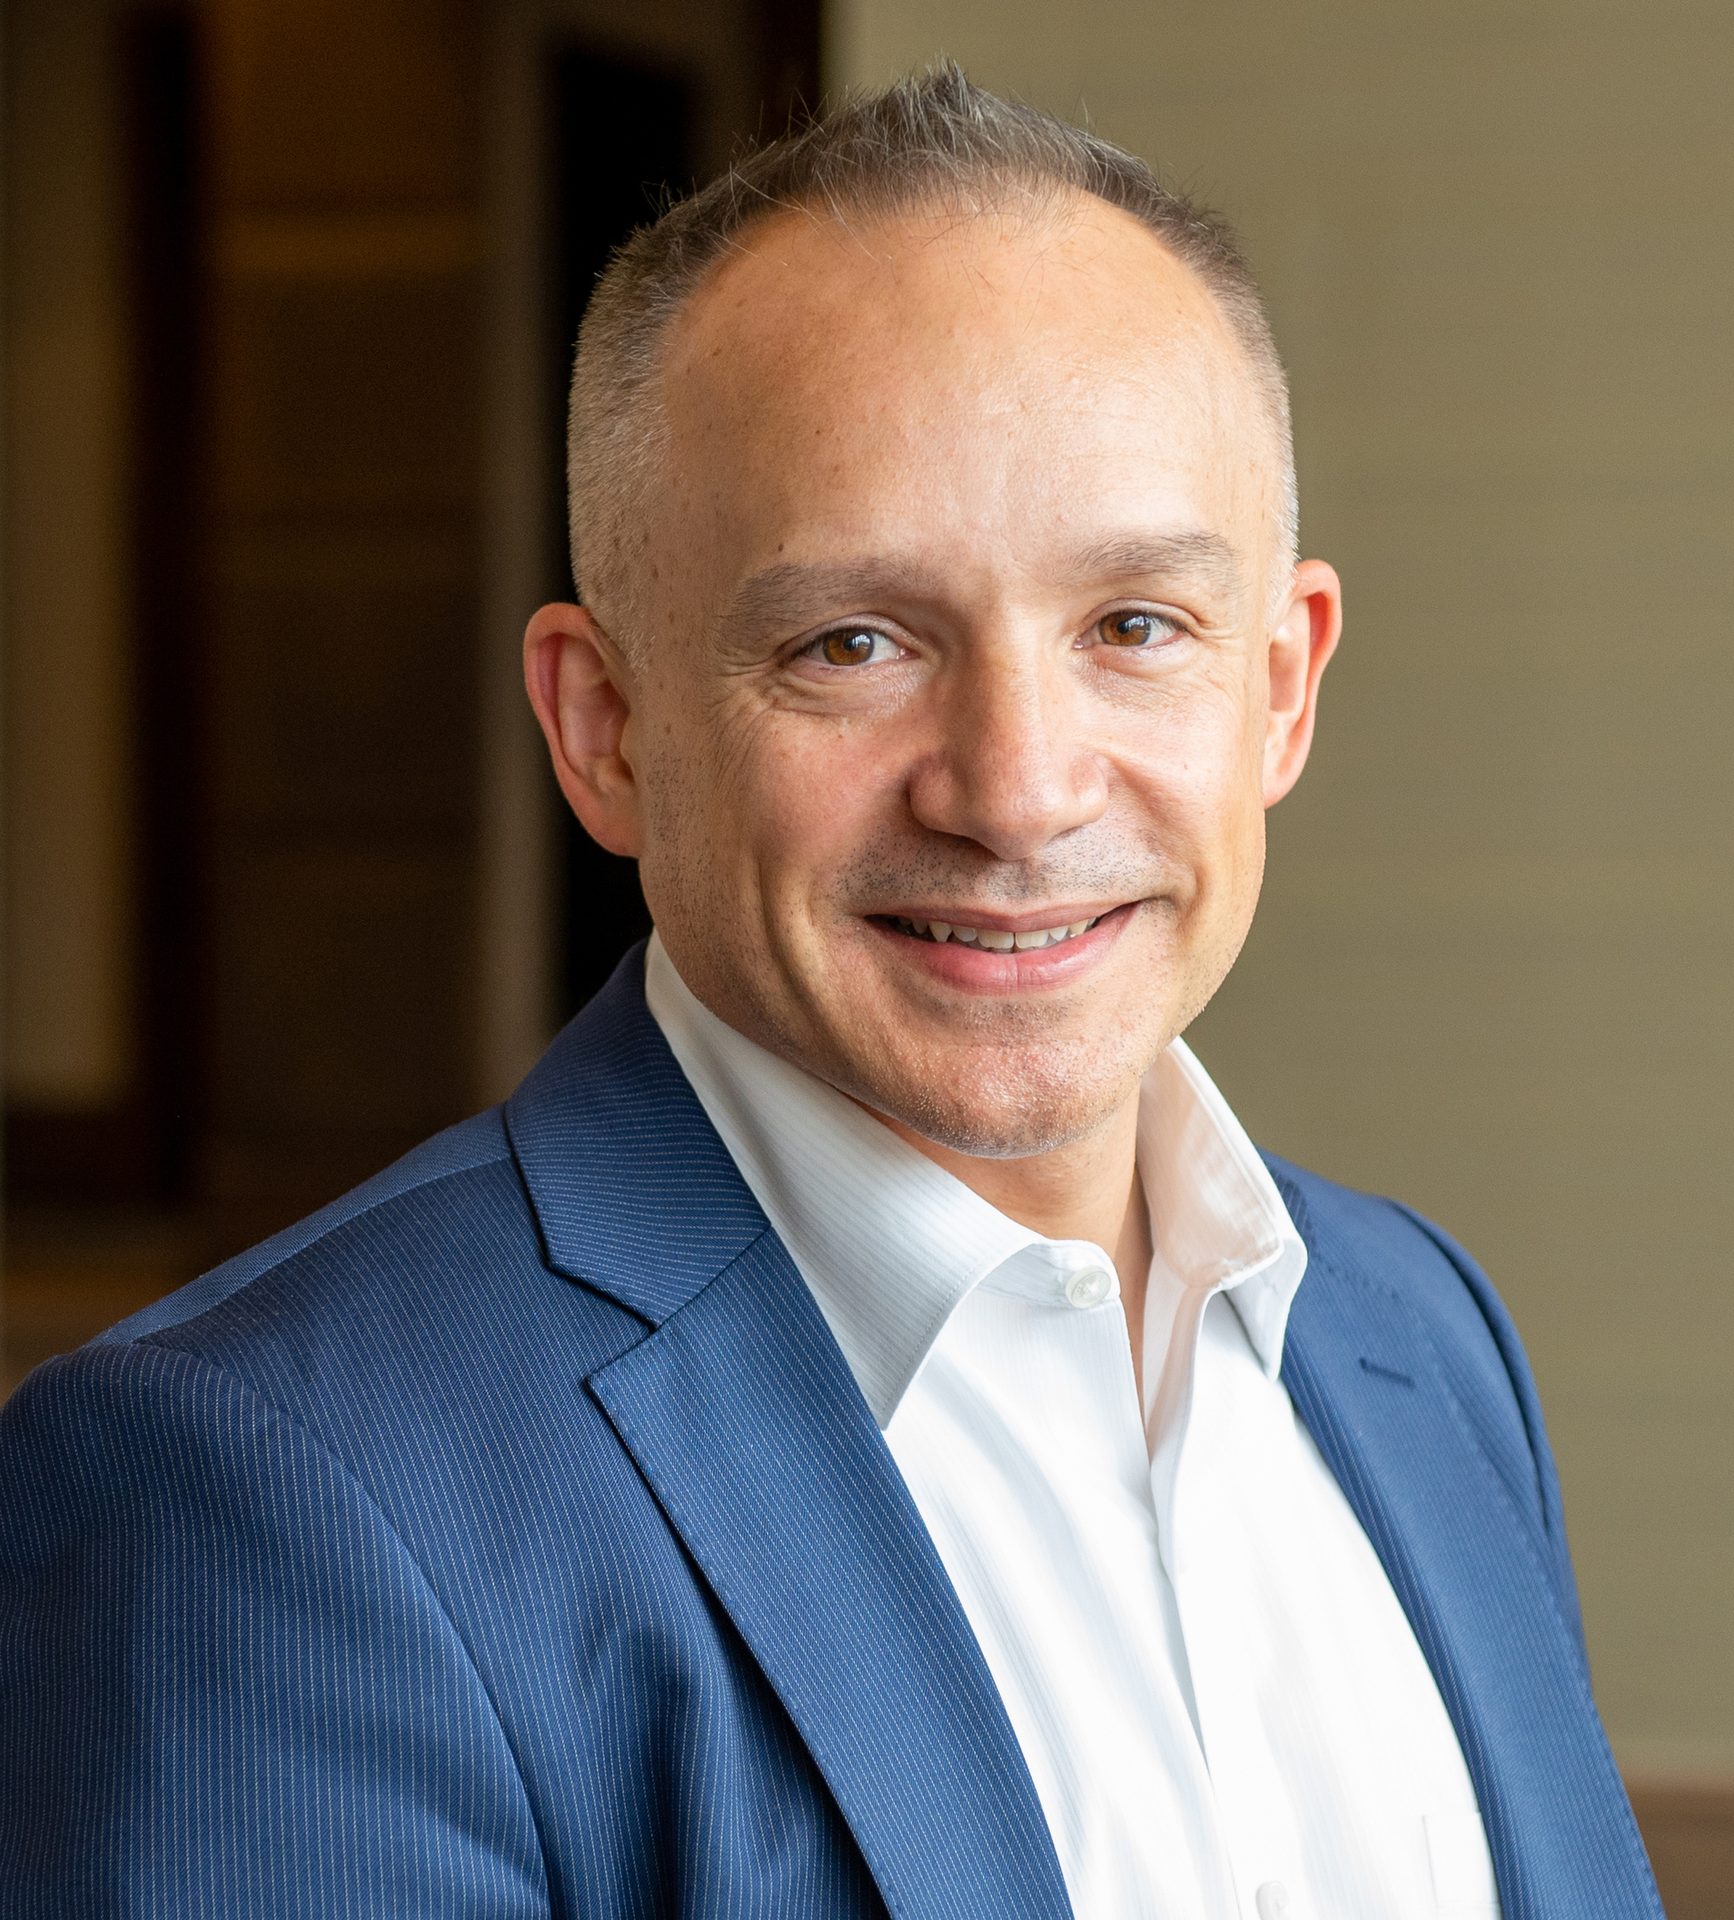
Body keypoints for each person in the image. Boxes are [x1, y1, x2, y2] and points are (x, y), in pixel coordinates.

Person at [0, 66, 1660, 1920]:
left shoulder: (1413, 1332)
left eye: (1133, 626)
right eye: (852, 643)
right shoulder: (269, 1492)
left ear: (1279, 687)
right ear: (606, 729)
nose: (1017, 789)